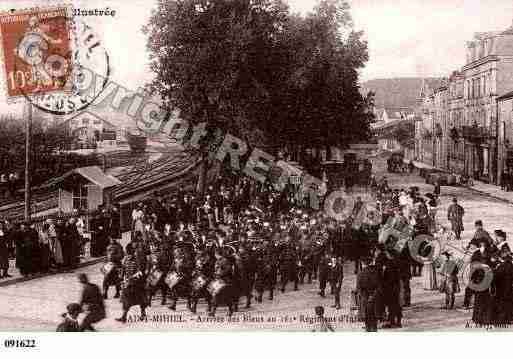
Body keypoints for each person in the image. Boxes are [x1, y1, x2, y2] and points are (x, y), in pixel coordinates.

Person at [357, 256, 380, 332]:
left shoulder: (361, 273)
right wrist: (373, 296)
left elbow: (359, 288)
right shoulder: (375, 272)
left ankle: (368, 327)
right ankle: (374, 328)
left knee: (367, 314)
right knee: (374, 314)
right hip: (374, 296)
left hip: (365, 297)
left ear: (363, 263)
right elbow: (378, 286)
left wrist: (364, 296)